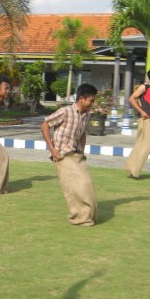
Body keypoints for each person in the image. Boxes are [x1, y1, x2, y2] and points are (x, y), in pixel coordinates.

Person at [41, 83, 98, 227]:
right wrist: (52, 149)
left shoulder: (86, 116)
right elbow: (45, 125)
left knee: (87, 184)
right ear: (82, 99)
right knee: (74, 187)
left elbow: (83, 133)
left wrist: (83, 151)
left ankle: (87, 215)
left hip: (77, 155)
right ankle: (79, 217)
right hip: (62, 155)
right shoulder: (65, 111)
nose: (92, 103)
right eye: (91, 100)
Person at [125, 66, 150, 179]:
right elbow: (131, 98)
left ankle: (131, 168)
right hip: (146, 120)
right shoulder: (144, 87)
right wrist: (141, 111)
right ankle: (135, 171)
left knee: (141, 144)